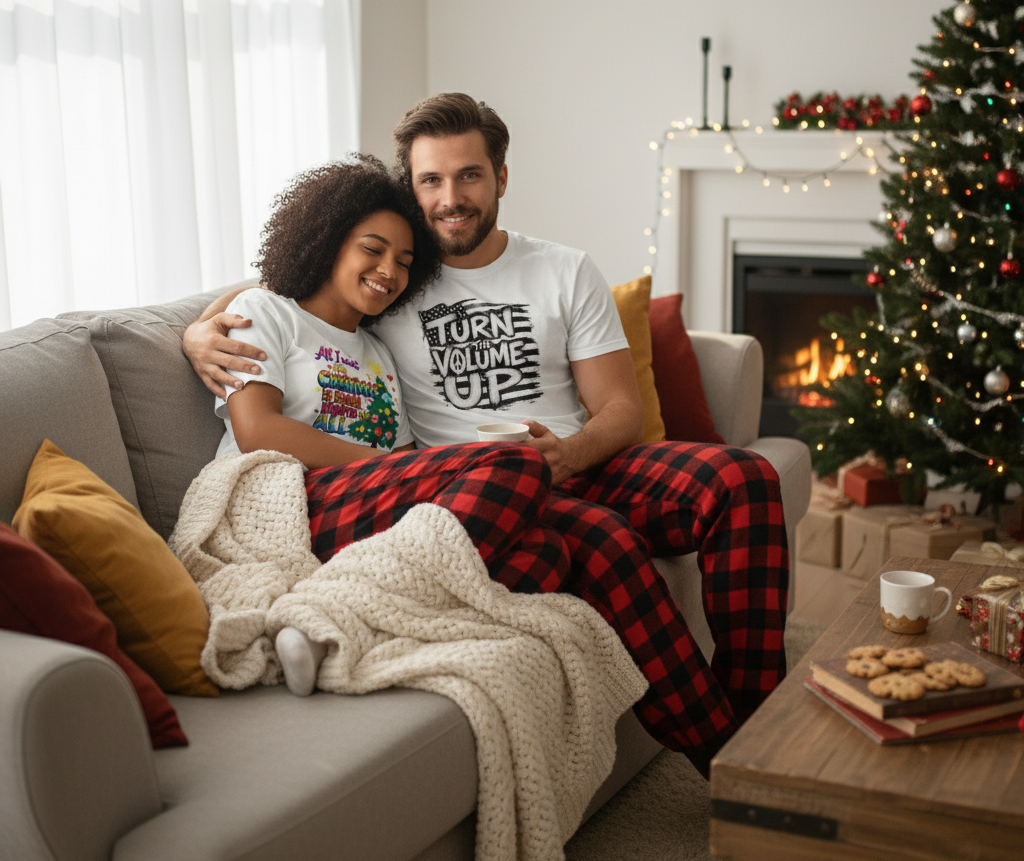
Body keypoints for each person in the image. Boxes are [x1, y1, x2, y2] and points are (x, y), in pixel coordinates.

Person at [185, 97, 790, 777]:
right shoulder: (396, 286)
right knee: (595, 541)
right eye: (431, 181)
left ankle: (760, 734)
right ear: (411, 190)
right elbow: (294, 287)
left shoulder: (559, 269)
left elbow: (620, 410)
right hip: (468, 481)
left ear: (501, 177)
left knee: (746, 479)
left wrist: (572, 453)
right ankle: (734, 770)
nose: (451, 198)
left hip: (575, 460)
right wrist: (197, 329)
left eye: (469, 176)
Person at [211, 154, 568, 697]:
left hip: (368, 506)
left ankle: (337, 627)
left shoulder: (379, 351)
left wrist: (404, 471)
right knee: (517, 462)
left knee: (548, 549)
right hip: (285, 499)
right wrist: (393, 468)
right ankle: (327, 613)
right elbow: (258, 430)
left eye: (403, 261)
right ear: (329, 240)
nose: (388, 272)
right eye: (372, 250)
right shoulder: (266, 311)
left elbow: (403, 459)